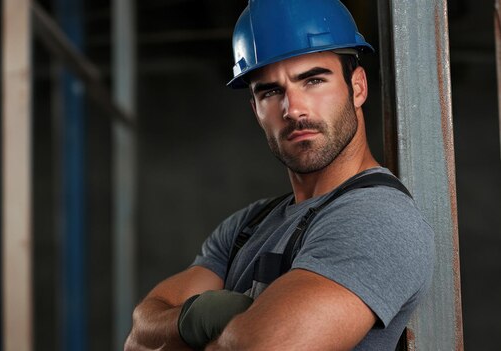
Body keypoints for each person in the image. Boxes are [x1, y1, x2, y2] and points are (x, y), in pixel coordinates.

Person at [124, 0, 434, 350]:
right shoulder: (246, 227)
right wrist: (200, 315)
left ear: (357, 86)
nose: (293, 109)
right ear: (256, 109)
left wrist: (204, 334)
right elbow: (139, 337)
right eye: (270, 91)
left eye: (313, 80)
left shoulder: (377, 219)